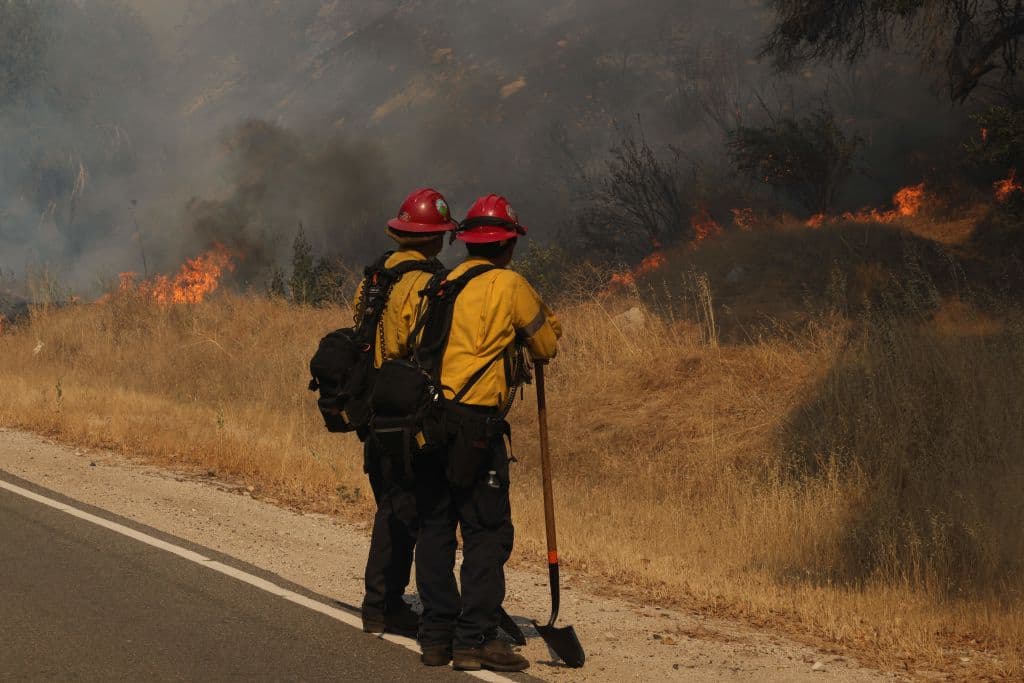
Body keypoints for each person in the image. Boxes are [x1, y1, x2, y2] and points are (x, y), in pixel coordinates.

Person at [415, 194, 561, 671]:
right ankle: (474, 640)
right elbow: (545, 344)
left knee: (436, 526)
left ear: (469, 241)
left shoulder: (443, 281)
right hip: (476, 426)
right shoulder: (510, 285)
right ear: (507, 244)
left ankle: (436, 636)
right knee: (487, 533)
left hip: (428, 420)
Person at [356, 187, 456, 635]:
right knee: (411, 509)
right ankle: (385, 607)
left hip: (373, 405)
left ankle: (384, 606)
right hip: (408, 408)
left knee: (392, 502)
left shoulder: (374, 276)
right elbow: (422, 346)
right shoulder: (427, 285)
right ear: (434, 238)